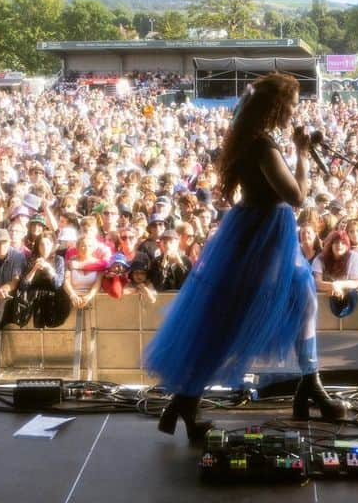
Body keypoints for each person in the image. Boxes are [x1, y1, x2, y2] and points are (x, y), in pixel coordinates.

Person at [144, 73, 345, 443]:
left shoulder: (255, 140)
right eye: (292, 106)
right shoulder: (263, 146)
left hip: (260, 232)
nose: (294, 113)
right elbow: (297, 196)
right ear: (276, 108)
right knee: (235, 318)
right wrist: (302, 154)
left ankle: (309, 382)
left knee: (300, 300)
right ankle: (186, 401)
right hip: (263, 237)